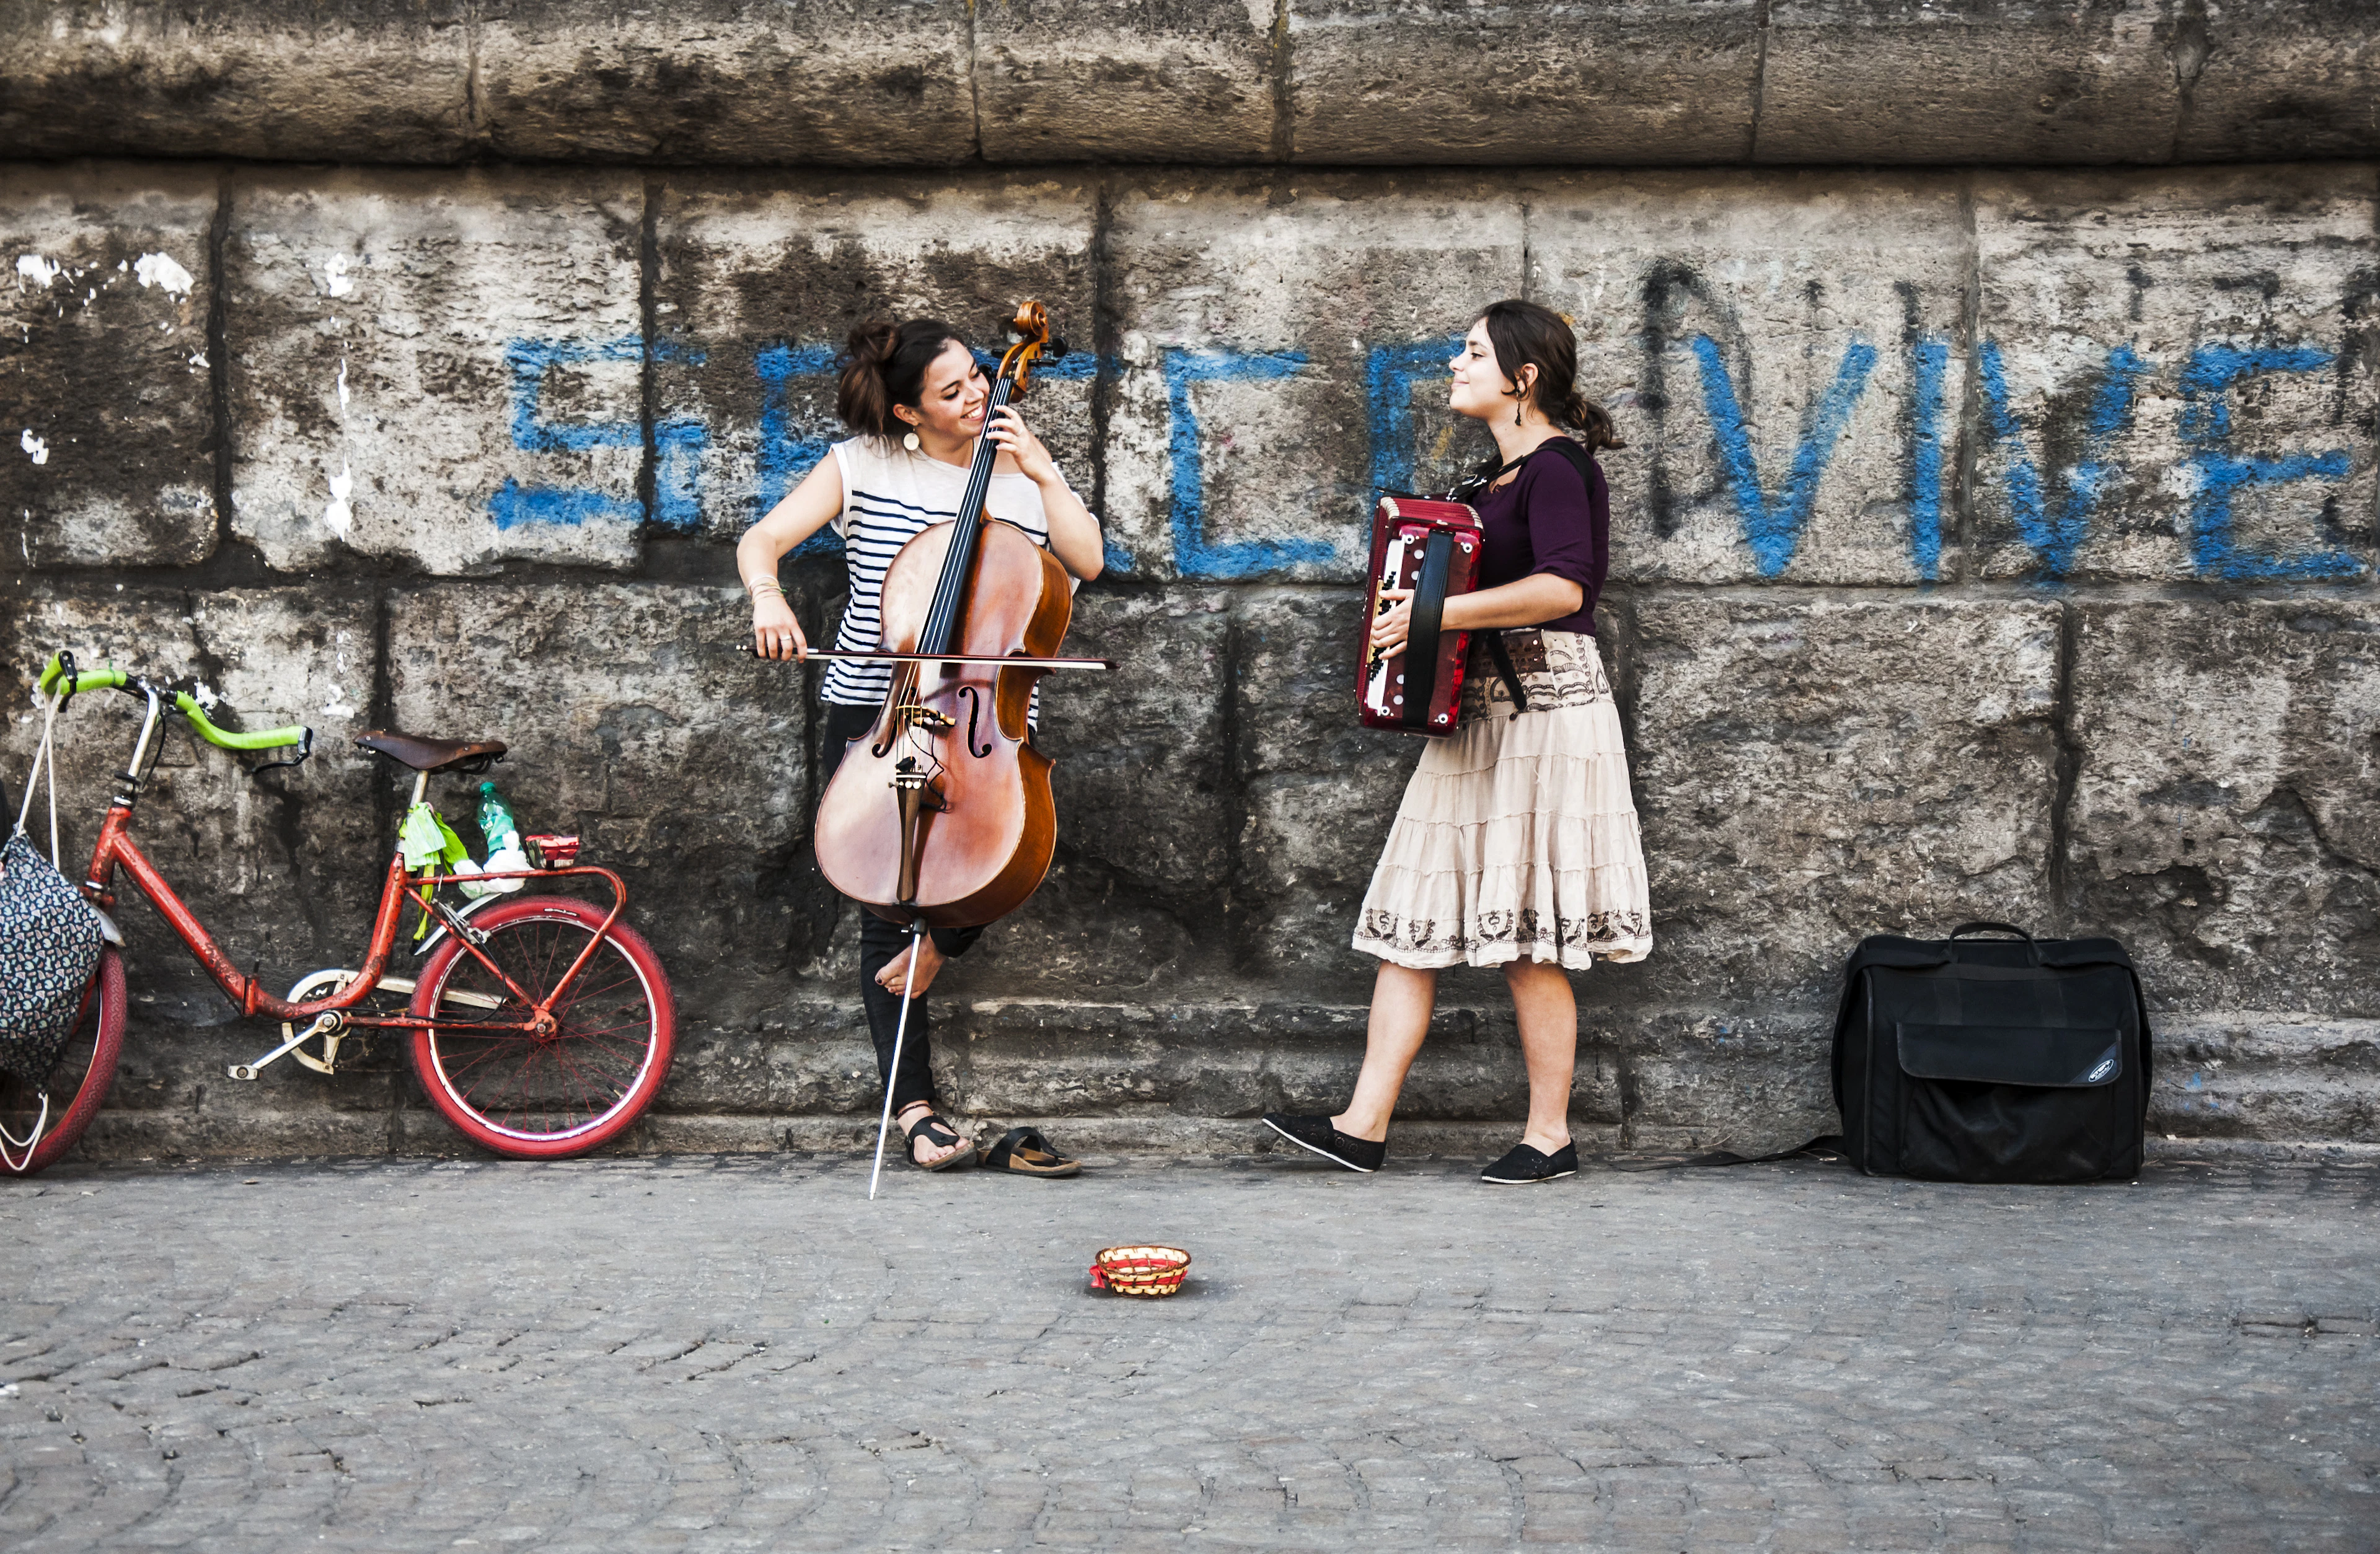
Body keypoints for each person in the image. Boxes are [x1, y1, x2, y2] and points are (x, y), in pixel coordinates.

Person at [1263, 299, 1651, 1185]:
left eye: (1472, 353)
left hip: (1550, 710)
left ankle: (1550, 1135)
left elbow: (1565, 590)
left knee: (1527, 939)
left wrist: (1436, 612)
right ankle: (1362, 1127)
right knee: (1412, 918)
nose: (1454, 365)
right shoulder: (1484, 486)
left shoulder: (1560, 469)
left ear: (1523, 376)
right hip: (1476, 712)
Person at [736, 318, 1104, 1172]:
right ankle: (915, 1113)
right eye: (953, 391)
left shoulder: (1018, 473)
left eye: (979, 377)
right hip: (885, 713)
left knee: (999, 855)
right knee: (887, 888)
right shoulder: (862, 466)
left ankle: (940, 945)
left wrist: (1043, 468)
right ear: (908, 414)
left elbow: (1086, 561)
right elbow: (764, 541)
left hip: (986, 714)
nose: (979, 394)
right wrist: (767, 597)